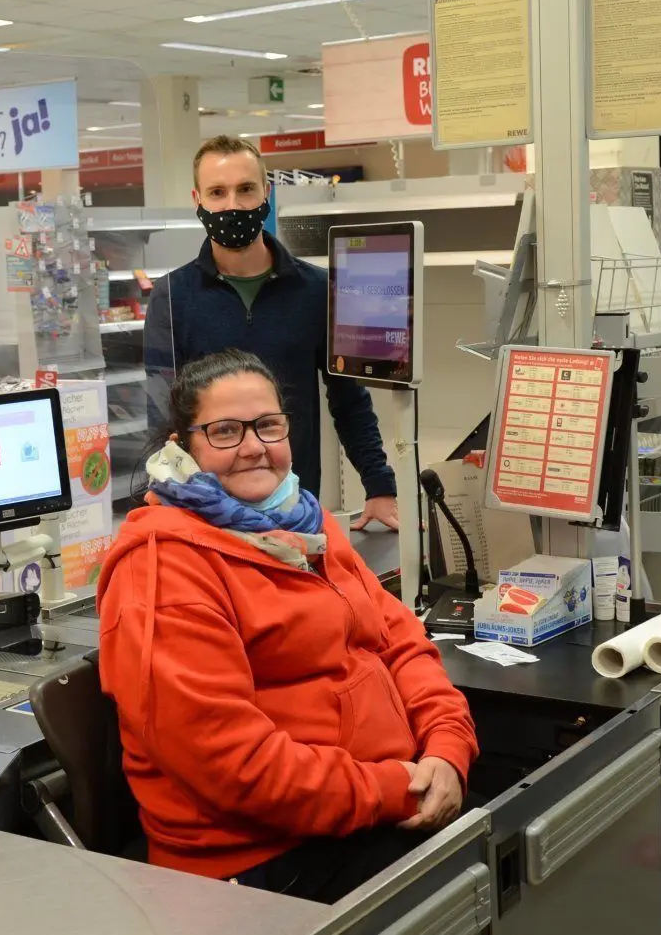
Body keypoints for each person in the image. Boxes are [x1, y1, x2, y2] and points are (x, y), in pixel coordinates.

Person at [97, 350, 477, 904]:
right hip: (259, 861)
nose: (254, 446)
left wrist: (446, 746)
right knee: (479, 882)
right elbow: (232, 765)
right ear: (183, 446)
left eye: (268, 425)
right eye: (225, 431)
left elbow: (400, 642)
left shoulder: (304, 524)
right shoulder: (162, 569)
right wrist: (400, 788)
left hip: (373, 801)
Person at [144, 135, 399, 532]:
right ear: (198, 200)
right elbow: (162, 413)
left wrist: (379, 487)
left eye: (246, 189)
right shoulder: (172, 296)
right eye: (217, 192)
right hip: (208, 516)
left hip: (294, 508)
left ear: (266, 191)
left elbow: (350, 400)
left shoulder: (320, 290)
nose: (233, 205)